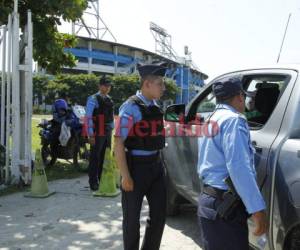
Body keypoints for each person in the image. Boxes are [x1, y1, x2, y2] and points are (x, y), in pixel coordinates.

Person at [197, 77, 268, 250]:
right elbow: (239, 168)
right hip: (225, 208)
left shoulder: (211, 118)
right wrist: (258, 211)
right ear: (239, 96)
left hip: (209, 203)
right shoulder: (234, 120)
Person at [114, 62, 167, 250]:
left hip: (156, 167)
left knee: (160, 216)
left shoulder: (155, 106)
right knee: (131, 221)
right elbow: (118, 142)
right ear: (147, 84)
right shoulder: (129, 108)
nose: (163, 87)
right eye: (160, 83)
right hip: (136, 169)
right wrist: (126, 176)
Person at [85, 75, 114, 191]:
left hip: (107, 131)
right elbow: (88, 117)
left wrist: (112, 129)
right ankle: (93, 182)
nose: (107, 88)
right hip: (97, 130)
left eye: (109, 86)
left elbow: (111, 116)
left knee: (105, 156)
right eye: (105, 85)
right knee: (95, 157)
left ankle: (102, 179)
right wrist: (90, 134)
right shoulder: (93, 99)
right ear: (100, 86)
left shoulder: (109, 99)